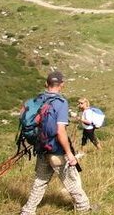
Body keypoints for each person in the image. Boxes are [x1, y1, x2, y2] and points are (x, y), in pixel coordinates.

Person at [20, 71, 95, 215]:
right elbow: (60, 131)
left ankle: (28, 211)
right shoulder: (60, 103)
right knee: (71, 180)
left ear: (46, 84)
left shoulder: (39, 99)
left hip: (41, 148)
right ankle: (84, 208)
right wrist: (69, 154)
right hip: (56, 150)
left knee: (40, 182)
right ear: (62, 85)